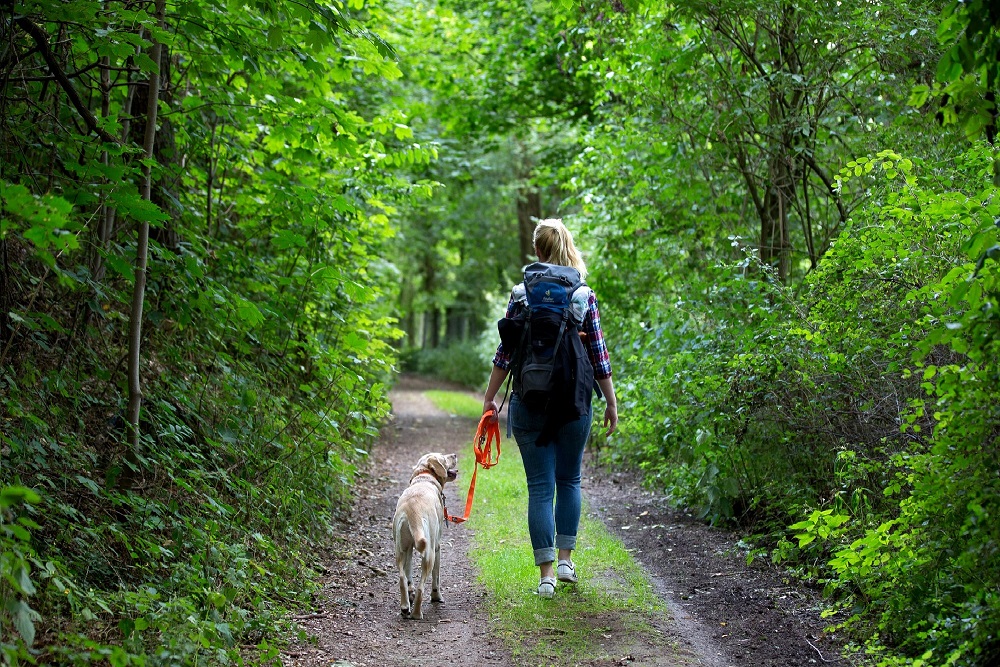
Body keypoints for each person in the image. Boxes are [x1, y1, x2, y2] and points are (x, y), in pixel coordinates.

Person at [482, 218, 618, 599]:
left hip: (529, 399)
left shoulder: (521, 294)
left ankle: (545, 578)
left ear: (537, 251)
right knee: (570, 480)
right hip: (574, 401)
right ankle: (565, 561)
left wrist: (490, 398)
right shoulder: (583, 294)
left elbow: (505, 353)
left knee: (540, 488)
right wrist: (610, 400)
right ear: (567, 246)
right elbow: (598, 354)